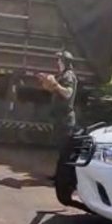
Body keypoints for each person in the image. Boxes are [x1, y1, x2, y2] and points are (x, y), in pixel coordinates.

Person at [38, 51, 79, 199]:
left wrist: (55, 85)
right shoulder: (62, 75)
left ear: (65, 62)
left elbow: (67, 93)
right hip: (60, 119)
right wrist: (47, 81)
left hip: (65, 120)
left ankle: (65, 181)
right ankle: (58, 177)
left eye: (59, 60)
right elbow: (54, 87)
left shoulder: (69, 76)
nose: (57, 62)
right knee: (61, 151)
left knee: (65, 152)